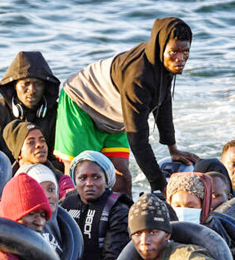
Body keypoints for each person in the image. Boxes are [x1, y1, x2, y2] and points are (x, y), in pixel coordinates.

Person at [54, 17, 199, 195]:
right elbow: (138, 140)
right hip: (81, 103)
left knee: (121, 179)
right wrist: (161, 185)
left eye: (185, 52)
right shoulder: (138, 77)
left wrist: (172, 148)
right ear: (161, 48)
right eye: (174, 52)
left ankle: (123, 220)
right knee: (80, 178)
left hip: (112, 113)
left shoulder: (163, 63)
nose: (180, 58)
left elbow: (163, 101)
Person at [60, 151, 132, 260]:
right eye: (83, 178)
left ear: (106, 180)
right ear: (75, 180)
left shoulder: (119, 209)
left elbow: (113, 257)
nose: (89, 183)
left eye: (96, 177)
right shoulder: (65, 205)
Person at [0, 51, 61, 167]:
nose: (32, 90)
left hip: (47, 174)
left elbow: (60, 158)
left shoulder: (56, 112)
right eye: (26, 84)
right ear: (15, 85)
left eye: (38, 84)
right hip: (5, 175)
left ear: (45, 86)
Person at [2, 120, 74, 198]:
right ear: (18, 152)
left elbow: (69, 195)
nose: (39, 145)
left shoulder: (61, 180)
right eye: (31, 142)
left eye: (42, 140)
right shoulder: (6, 182)